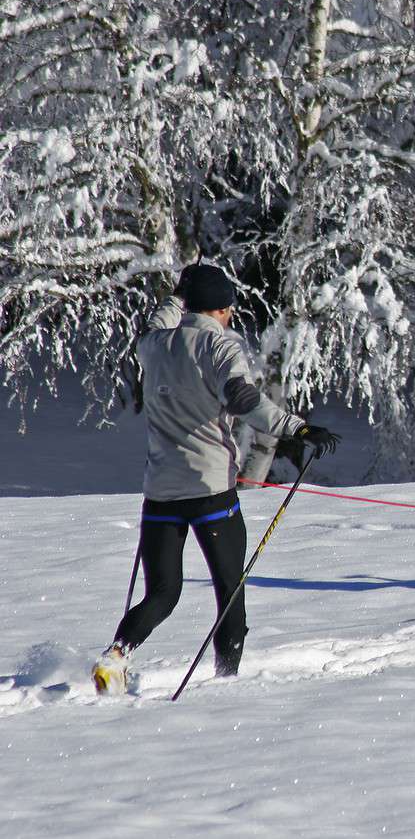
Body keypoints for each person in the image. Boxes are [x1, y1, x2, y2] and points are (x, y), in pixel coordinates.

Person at [92, 264, 340, 694]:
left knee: (163, 593)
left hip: (160, 493)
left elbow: (159, 319)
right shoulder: (220, 348)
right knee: (230, 592)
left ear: (186, 305)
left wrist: (178, 294)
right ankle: (227, 685)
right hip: (210, 493)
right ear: (224, 310)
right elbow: (245, 401)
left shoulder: (153, 346)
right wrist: (297, 428)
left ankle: (116, 656)